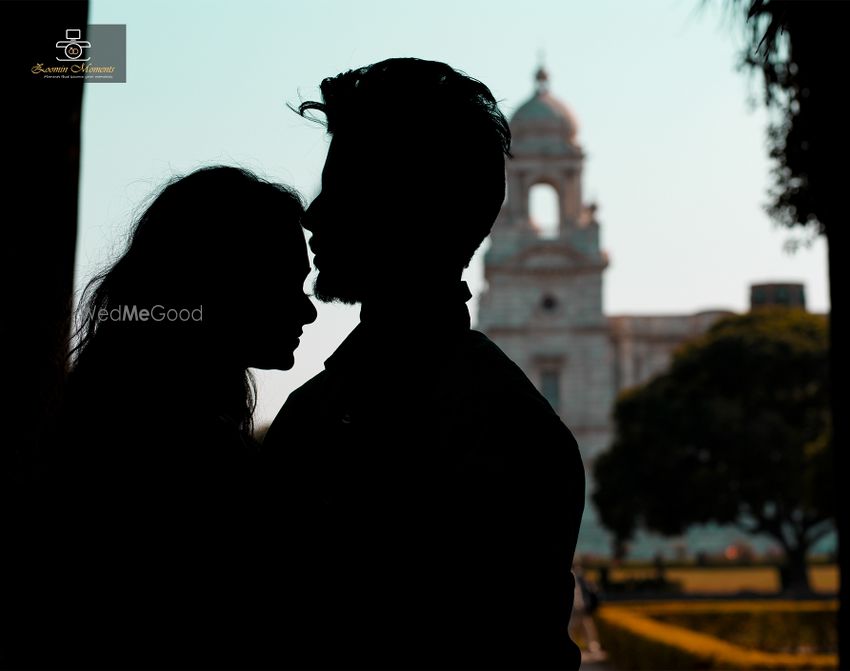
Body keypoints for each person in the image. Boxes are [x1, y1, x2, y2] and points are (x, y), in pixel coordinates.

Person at [263, 58, 586, 670]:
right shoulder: (523, 428)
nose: (313, 213)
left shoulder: (330, 417)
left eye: (342, 187)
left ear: (403, 205)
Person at [7, 166, 317, 669]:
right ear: (221, 283)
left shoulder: (116, 425)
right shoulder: (195, 458)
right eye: (285, 283)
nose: (308, 312)